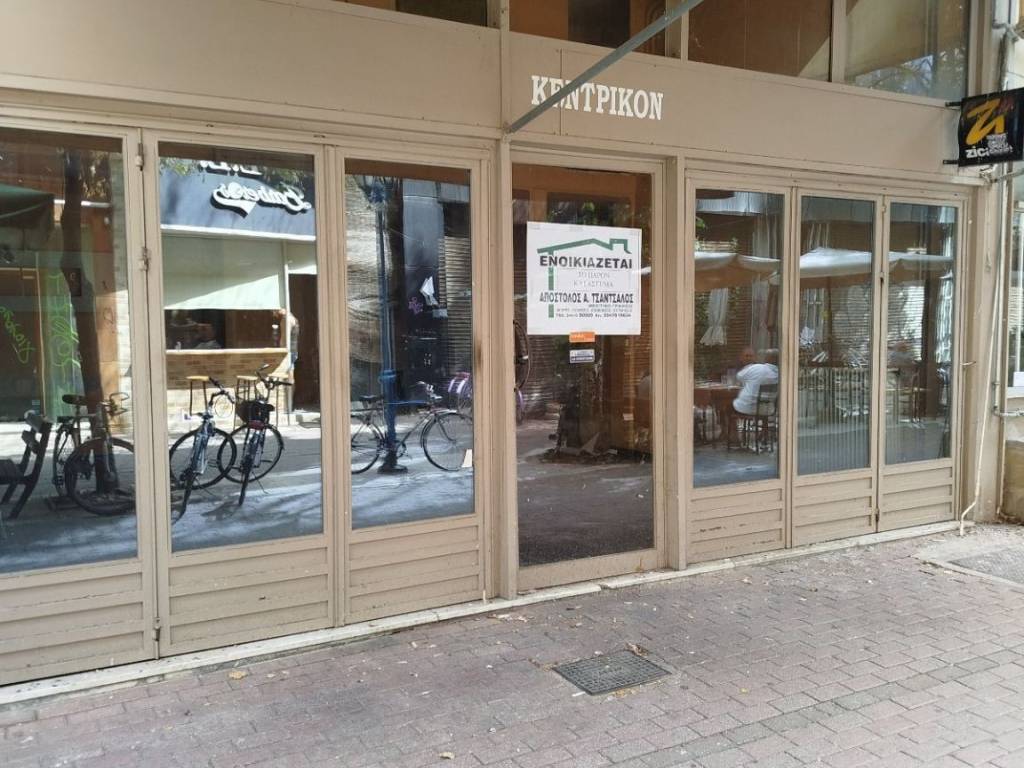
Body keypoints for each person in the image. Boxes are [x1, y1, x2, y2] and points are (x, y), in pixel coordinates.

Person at [733, 349, 778, 416]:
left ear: (769, 358)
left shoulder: (757, 367)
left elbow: (738, 377)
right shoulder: (780, 374)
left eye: (751, 356)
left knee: (728, 405)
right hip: (768, 410)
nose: (748, 358)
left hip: (749, 408)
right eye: (746, 356)